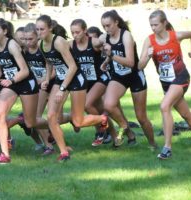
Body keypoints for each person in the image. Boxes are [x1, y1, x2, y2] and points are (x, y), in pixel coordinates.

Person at [36, 15, 108, 162]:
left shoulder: (59, 42)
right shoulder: (41, 44)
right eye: (37, 29)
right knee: (51, 116)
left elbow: (73, 67)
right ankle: (64, 152)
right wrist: (47, 79)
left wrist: (62, 89)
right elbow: (49, 63)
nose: (39, 32)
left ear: (50, 28)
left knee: (78, 121)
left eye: (42, 29)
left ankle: (102, 118)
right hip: (61, 79)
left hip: (75, 78)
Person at [138, 10, 191, 159]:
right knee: (185, 114)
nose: (153, 28)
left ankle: (167, 148)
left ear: (164, 23)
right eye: (151, 25)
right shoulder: (149, 40)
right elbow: (140, 66)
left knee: (164, 106)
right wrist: (148, 56)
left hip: (181, 77)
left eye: (156, 25)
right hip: (166, 83)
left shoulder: (175, 36)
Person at [0, 18, 39, 164]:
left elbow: (25, 70)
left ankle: (51, 124)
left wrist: (11, 80)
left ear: (5, 31)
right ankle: (5, 155)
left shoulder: (12, 45)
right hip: (11, 84)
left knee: (31, 123)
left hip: (25, 82)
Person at [99, 10, 156, 148]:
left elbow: (130, 62)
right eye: (104, 26)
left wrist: (111, 56)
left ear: (116, 22)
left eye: (108, 25)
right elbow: (101, 46)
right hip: (119, 77)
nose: (106, 29)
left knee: (141, 117)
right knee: (108, 104)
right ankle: (125, 127)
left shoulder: (126, 36)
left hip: (135, 75)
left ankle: (153, 145)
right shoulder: (104, 37)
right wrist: (106, 61)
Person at [70, 19, 116, 147]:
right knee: (101, 111)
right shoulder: (71, 45)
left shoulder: (93, 42)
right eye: (72, 33)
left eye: (77, 32)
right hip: (86, 82)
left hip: (101, 78)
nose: (75, 35)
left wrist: (106, 59)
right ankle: (116, 137)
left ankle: (101, 131)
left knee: (87, 105)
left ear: (85, 31)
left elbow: (107, 41)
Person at [24, 22, 56, 154]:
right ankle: (51, 134)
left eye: (30, 39)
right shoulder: (25, 51)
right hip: (36, 86)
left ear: (37, 36)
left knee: (35, 116)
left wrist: (45, 80)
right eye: (25, 39)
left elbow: (54, 69)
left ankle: (49, 145)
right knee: (32, 118)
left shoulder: (42, 49)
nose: (27, 42)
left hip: (48, 84)